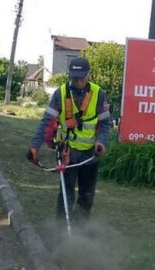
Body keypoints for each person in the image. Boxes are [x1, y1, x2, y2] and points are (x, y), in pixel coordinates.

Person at [28, 56, 111, 223]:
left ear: (88, 75)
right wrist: (35, 147)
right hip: (67, 153)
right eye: (74, 78)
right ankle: (61, 231)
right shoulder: (61, 93)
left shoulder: (98, 94)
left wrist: (101, 142)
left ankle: (80, 231)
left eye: (81, 78)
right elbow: (47, 122)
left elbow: (105, 123)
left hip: (89, 155)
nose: (78, 82)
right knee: (66, 194)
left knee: (87, 196)